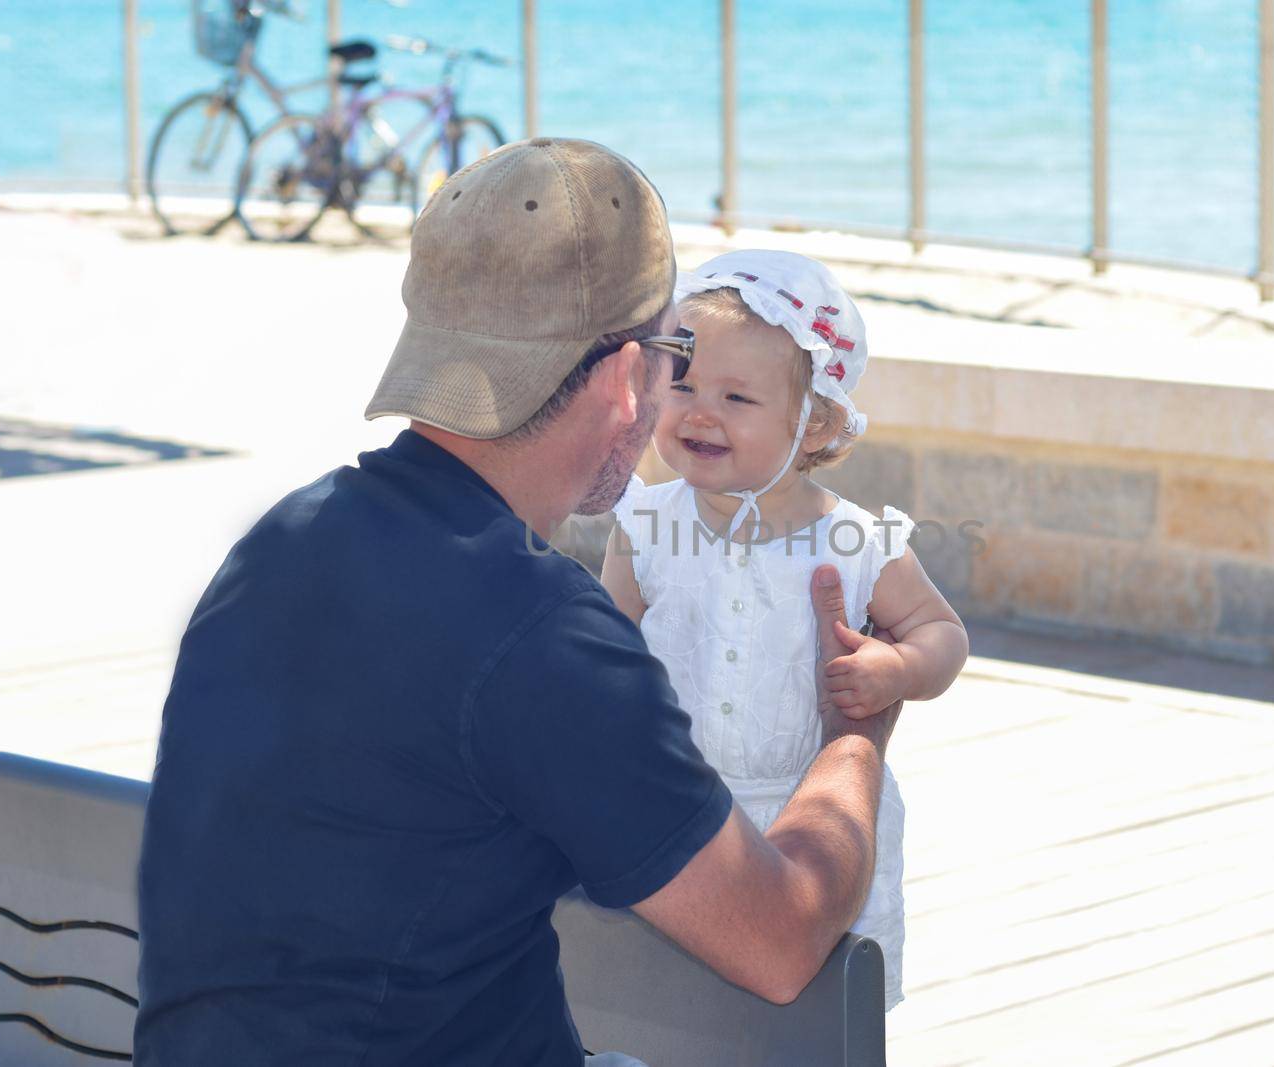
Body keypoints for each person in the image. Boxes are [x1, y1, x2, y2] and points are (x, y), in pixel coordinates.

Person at [135, 139, 902, 1066]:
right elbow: (780, 941)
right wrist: (857, 726)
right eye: (673, 355)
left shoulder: (282, 545)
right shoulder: (540, 637)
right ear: (627, 378)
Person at [599, 250, 969, 1008]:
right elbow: (604, 658)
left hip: (814, 829)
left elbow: (942, 632)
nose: (700, 411)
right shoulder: (644, 528)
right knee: (668, 1015)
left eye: (738, 396)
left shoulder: (855, 543)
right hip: (673, 815)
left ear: (813, 422)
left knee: (812, 1025)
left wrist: (896, 670)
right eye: (685, 384)